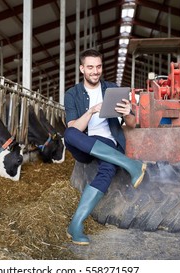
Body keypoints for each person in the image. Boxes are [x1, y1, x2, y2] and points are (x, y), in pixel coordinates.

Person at [64, 49, 146, 245]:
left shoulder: (113, 89)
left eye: (98, 66)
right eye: (90, 67)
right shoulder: (72, 94)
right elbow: (74, 128)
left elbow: (132, 124)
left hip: (108, 142)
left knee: (107, 169)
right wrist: (92, 111)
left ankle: (75, 225)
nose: (95, 71)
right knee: (69, 134)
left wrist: (127, 113)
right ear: (82, 68)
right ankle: (130, 164)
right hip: (84, 143)